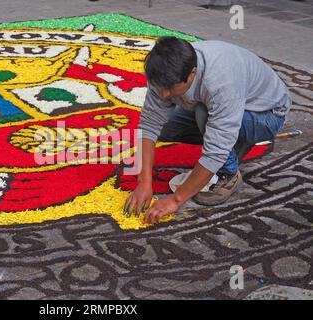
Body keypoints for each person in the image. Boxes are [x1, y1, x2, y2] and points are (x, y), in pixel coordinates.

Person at [124, 37, 291, 224]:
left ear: (192, 74)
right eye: (161, 88)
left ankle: (229, 173)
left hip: (265, 115)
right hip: (226, 106)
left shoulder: (220, 81)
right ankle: (234, 138)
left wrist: (176, 199)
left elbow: (215, 152)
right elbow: (149, 125)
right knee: (167, 129)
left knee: (205, 116)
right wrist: (144, 182)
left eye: (171, 89)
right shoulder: (164, 72)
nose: (164, 95)